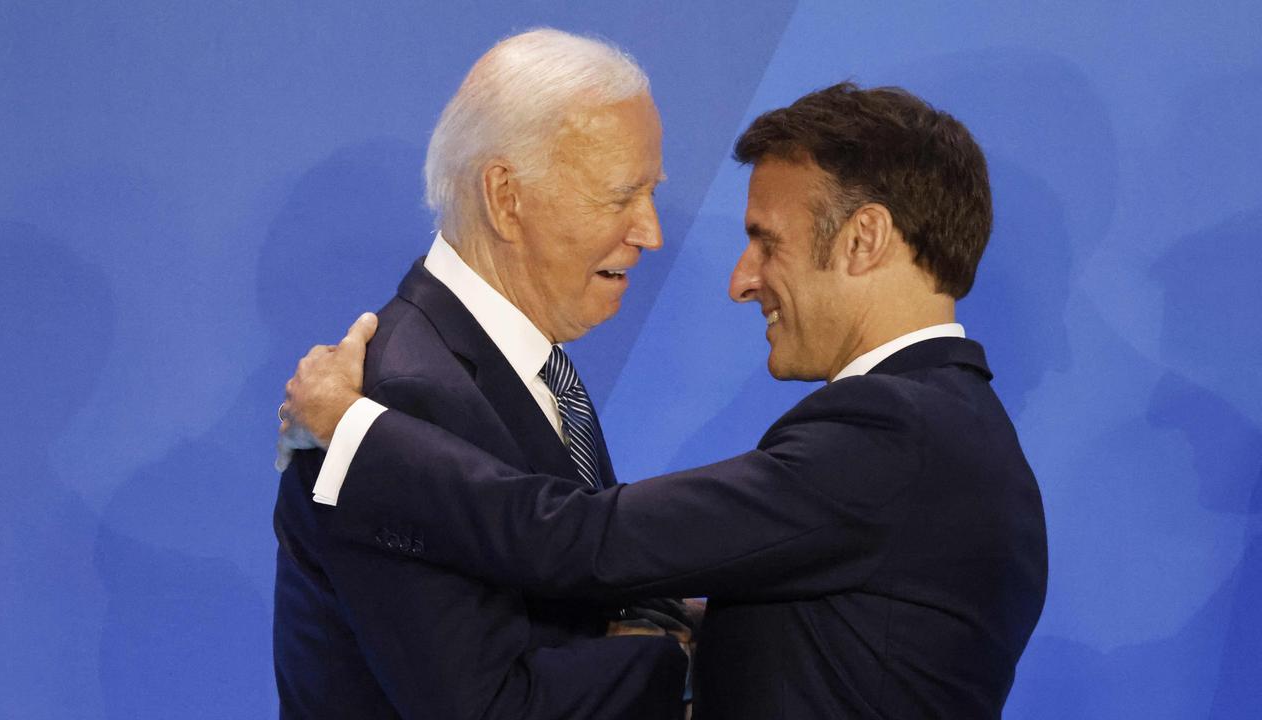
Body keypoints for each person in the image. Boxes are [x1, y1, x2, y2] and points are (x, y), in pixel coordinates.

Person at [281, 83, 1049, 719]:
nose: (741, 280)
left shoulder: (894, 432)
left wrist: (354, 432)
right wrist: (684, 629)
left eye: (767, 241)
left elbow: (581, 541)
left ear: (864, 239)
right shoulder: (955, 430)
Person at [272, 28, 689, 720]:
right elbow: (490, 709)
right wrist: (671, 652)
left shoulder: (520, 367)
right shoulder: (402, 398)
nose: (650, 231)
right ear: (505, 197)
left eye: (651, 194)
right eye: (621, 196)